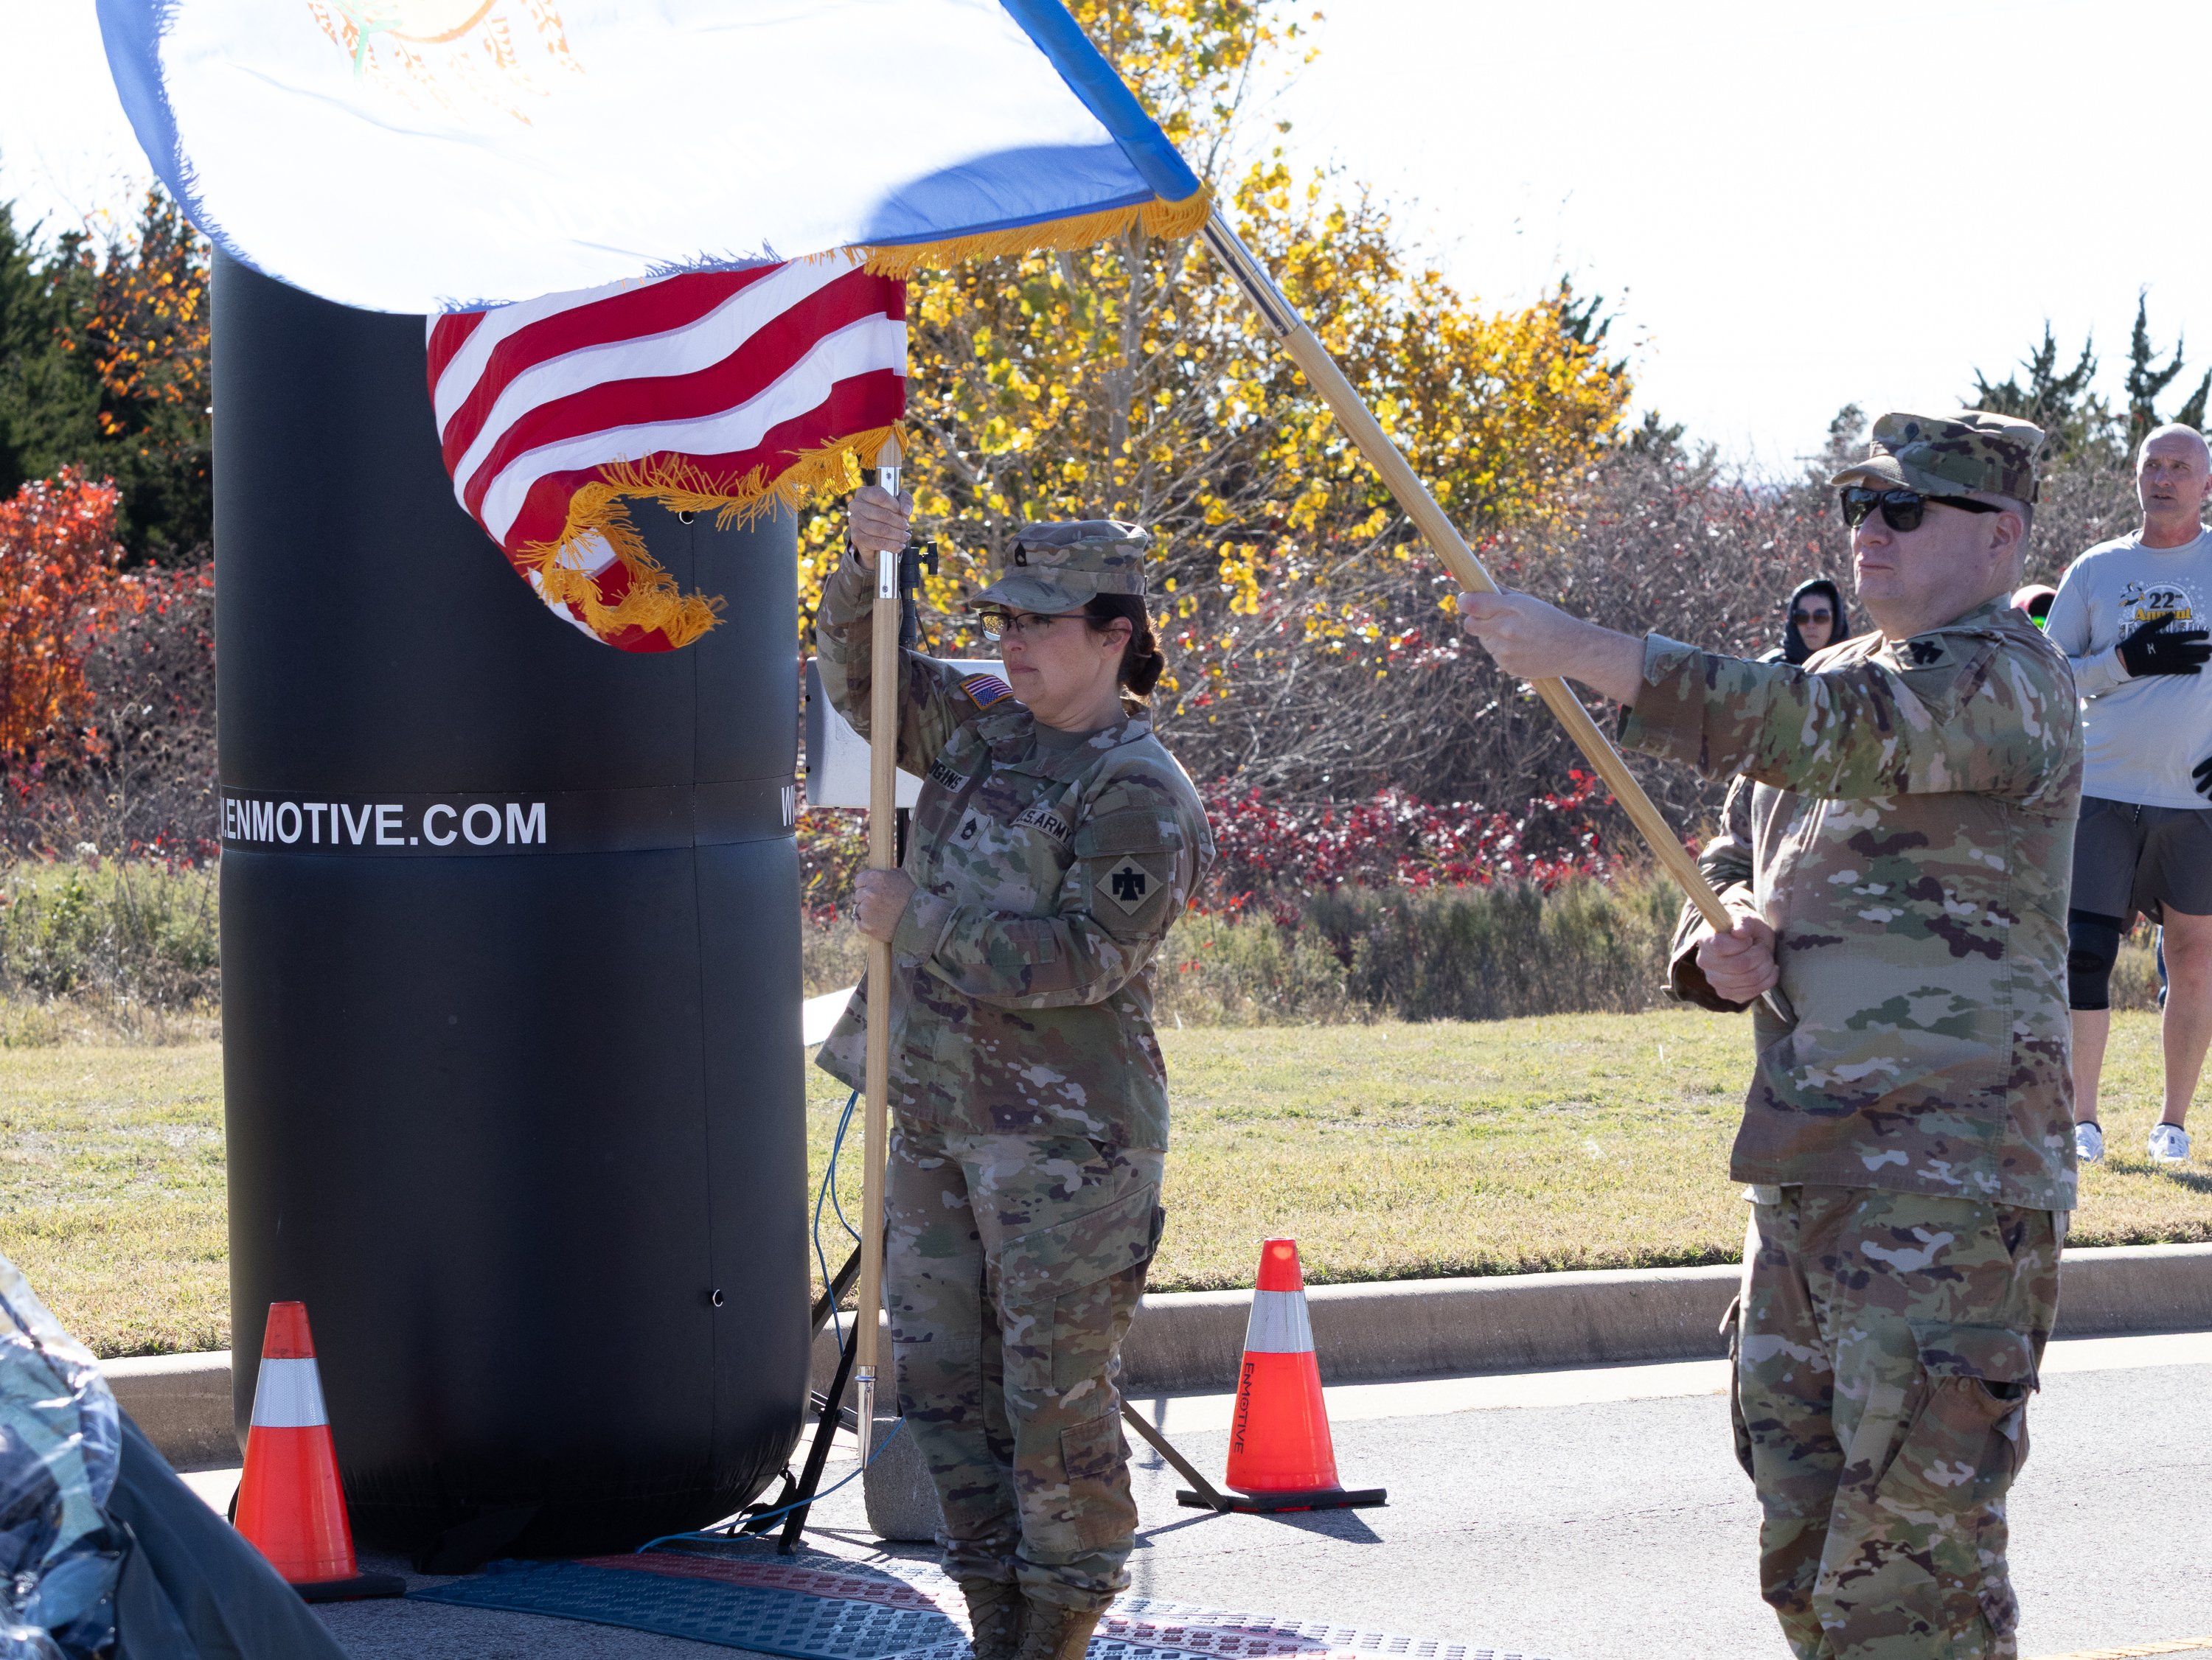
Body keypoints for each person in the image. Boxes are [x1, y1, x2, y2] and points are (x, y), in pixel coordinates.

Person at [1457, 411, 2079, 1660]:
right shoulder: (1838, 670)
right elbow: (1744, 860)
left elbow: (1819, 735)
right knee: (1802, 1552)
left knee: (1912, 1575)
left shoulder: (2003, 677)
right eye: (1860, 505)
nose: (1870, 530)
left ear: (2001, 535)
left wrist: (1582, 648)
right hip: (1807, 1170)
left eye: (1906, 509)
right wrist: (1719, 943)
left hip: (1948, 1190)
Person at [815, 490, 1212, 1660]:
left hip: (1064, 1152)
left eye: (1041, 621)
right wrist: (859, 569)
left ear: (1115, 634)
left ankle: (1060, 1635)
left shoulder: (1137, 789)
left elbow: (1089, 958)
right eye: (1003, 616)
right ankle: (996, 1627)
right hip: (939, 1120)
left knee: (1053, 1412)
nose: (1013, 640)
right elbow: (865, 688)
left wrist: (917, 918)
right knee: (945, 1397)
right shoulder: (989, 730)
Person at [2042, 422, 2212, 1165]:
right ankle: (2083, 1119)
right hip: (2102, 791)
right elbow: (2043, 677)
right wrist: (2124, 658)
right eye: (2152, 464)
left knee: (2196, 957)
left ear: (2207, 482)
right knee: (2086, 954)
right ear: (2135, 476)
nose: (2163, 476)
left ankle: (2172, 1123)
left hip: (2195, 803)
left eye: (2180, 465)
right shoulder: (2096, 569)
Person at [1759, 576, 1851, 663]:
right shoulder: (1769, 669)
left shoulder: (1855, 668)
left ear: (1836, 621)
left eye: (1820, 617)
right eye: (1802, 617)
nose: (1810, 625)